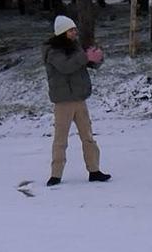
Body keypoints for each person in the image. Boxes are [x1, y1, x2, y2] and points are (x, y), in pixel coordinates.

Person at [43, 15, 111, 186]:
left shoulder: (75, 47)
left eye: (74, 29)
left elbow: (82, 63)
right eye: (71, 30)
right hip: (63, 102)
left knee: (88, 137)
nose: (75, 33)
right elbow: (66, 67)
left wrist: (96, 58)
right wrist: (85, 57)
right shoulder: (52, 51)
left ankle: (94, 170)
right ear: (62, 32)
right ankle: (56, 175)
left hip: (79, 99)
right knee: (61, 140)